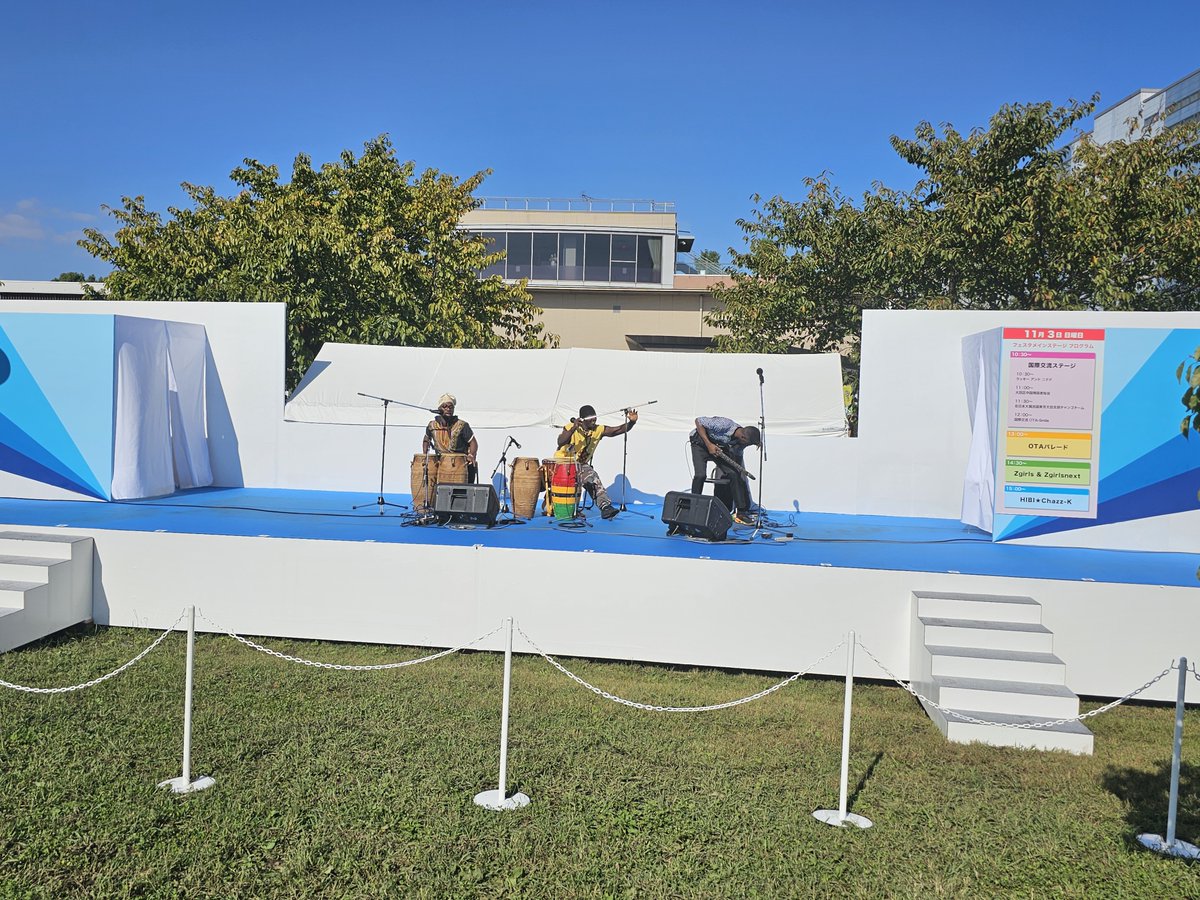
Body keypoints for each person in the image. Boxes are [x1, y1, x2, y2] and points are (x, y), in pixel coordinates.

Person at [555, 404, 637, 520]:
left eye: (595, 417)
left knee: (592, 477)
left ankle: (605, 507)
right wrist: (573, 428)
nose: (594, 420)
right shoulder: (571, 427)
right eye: (591, 418)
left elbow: (617, 430)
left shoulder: (598, 430)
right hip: (563, 463)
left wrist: (632, 422)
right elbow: (560, 442)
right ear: (582, 419)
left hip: (581, 465)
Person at [689, 416, 761, 524]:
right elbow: (699, 421)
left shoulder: (739, 442)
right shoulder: (725, 424)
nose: (747, 445)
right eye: (748, 443)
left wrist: (737, 470)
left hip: (718, 448)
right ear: (743, 438)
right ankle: (693, 506)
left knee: (734, 474)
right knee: (700, 475)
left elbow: (737, 457)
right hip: (700, 443)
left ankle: (741, 513)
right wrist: (709, 444)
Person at [423, 393, 478, 483]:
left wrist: (471, 455)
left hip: (460, 465)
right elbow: (426, 439)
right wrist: (425, 456)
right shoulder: (432, 425)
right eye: (445, 406)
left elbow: (473, 442)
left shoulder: (462, 425)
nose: (448, 409)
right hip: (441, 465)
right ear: (439, 409)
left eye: (451, 407)